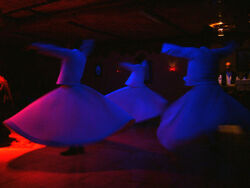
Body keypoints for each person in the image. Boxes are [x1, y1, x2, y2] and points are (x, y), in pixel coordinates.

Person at [3, 40, 134, 155]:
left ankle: (74, 147)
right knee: (74, 121)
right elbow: (68, 49)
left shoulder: (72, 54)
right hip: (75, 89)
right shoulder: (81, 56)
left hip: (69, 90)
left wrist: (36, 46)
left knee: (69, 121)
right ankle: (77, 146)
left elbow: (54, 50)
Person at [157, 42, 250, 150]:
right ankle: (213, 137)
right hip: (214, 89)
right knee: (218, 112)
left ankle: (200, 137)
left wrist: (163, 46)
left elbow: (177, 50)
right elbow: (227, 49)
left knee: (192, 113)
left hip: (201, 89)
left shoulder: (195, 52)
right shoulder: (214, 53)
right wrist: (234, 44)